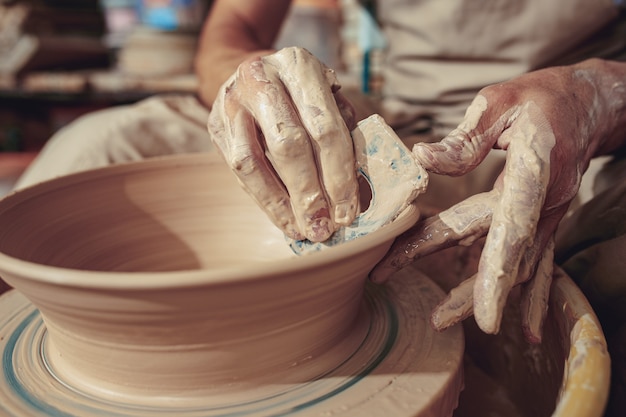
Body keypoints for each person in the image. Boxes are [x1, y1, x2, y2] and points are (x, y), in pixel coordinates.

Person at [12, 1, 626, 410]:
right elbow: (232, 32)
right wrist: (249, 75)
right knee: (97, 144)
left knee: (611, 284)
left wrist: (599, 91)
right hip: (402, 137)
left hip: (575, 128)